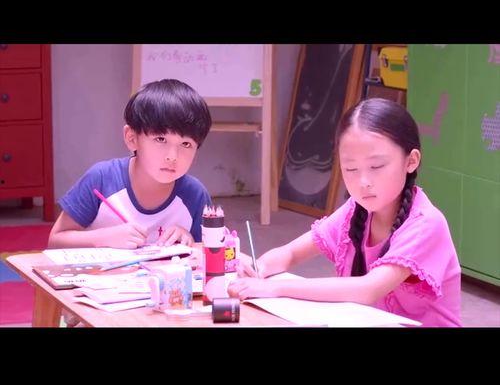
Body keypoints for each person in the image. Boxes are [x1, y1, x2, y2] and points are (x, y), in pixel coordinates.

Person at [228, 98, 462, 327]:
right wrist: (260, 268)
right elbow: (290, 253)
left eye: (376, 166)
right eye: (350, 168)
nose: (363, 182)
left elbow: (368, 289)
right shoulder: (355, 210)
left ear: (411, 161)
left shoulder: (426, 224)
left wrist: (275, 288)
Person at [48, 78, 213, 250]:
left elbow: (211, 251)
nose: (172, 157)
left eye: (186, 144)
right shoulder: (101, 179)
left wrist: (190, 240)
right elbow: (55, 242)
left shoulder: (195, 195)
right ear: (132, 138)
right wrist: (103, 238)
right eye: (160, 139)